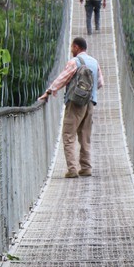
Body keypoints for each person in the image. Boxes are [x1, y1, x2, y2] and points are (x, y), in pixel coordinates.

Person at [38, 37, 104, 178]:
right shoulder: (94, 62)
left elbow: (63, 78)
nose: (71, 50)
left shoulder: (74, 62)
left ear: (76, 47)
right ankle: (86, 168)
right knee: (85, 136)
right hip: (90, 103)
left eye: (72, 48)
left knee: (68, 135)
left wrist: (49, 91)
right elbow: (100, 83)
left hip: (75, 103)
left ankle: (72, 170)